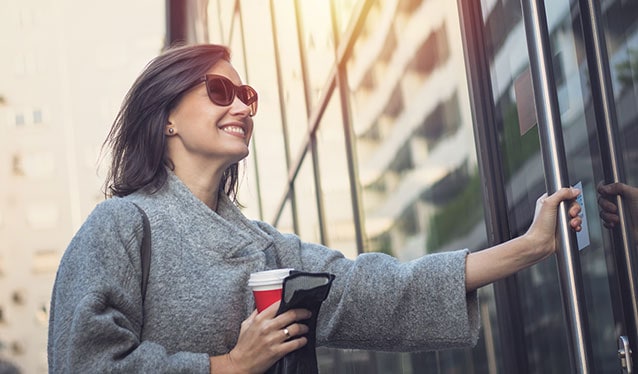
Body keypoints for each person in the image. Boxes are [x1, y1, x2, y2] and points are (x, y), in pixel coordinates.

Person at [47, 43, 583, 374]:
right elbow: (85, 362)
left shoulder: (265, 247)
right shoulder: (120, 226)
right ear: (166, 117)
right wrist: (227, 367)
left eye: (246, 94)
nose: (240, 106)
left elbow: (376, 290)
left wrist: (529, 246)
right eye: (219, 90)